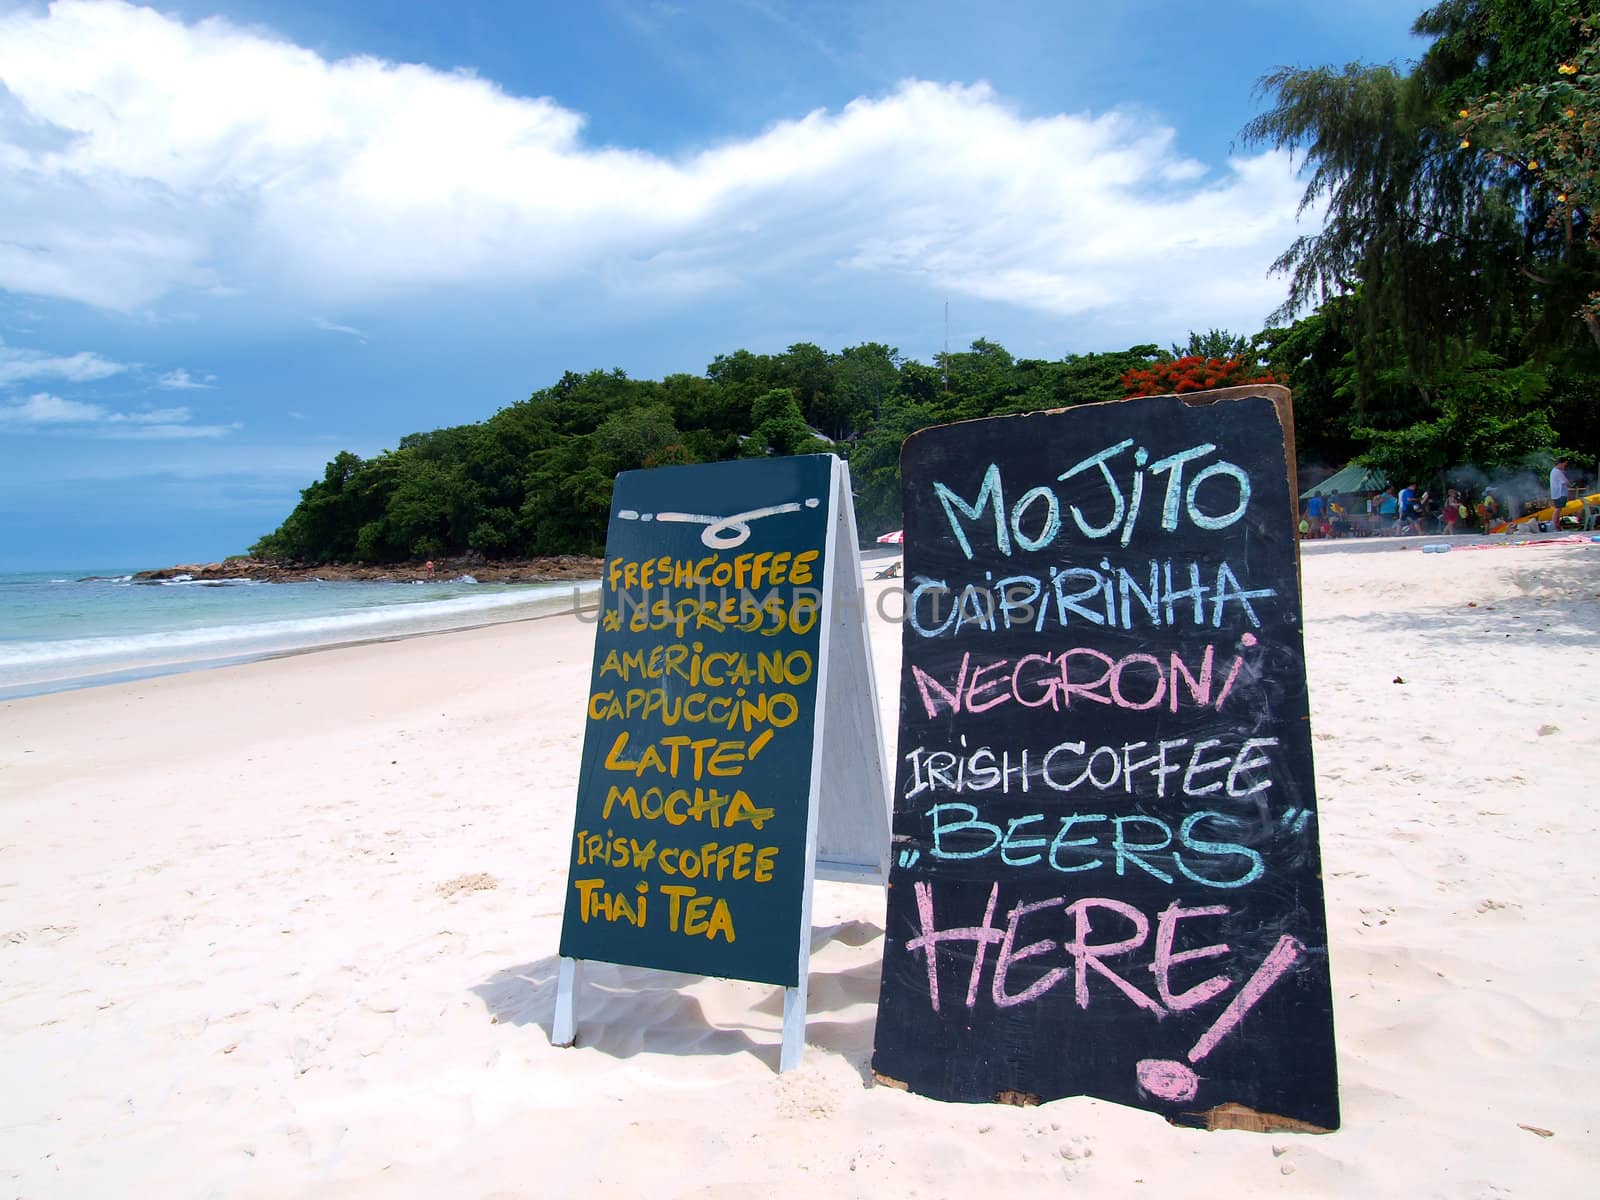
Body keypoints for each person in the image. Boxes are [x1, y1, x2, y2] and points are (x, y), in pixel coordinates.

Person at [1549, 458, 1570, 529]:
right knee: (1558, 509)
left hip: (1557, 493)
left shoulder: (1555, 471)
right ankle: (1554, 525)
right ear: (1560, 463)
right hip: (1559, 493)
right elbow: (1566, 482)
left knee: (1558, 509)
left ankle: (1556, 525)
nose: (1565, 466)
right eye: (1565, 464)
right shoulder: (1557, 472)